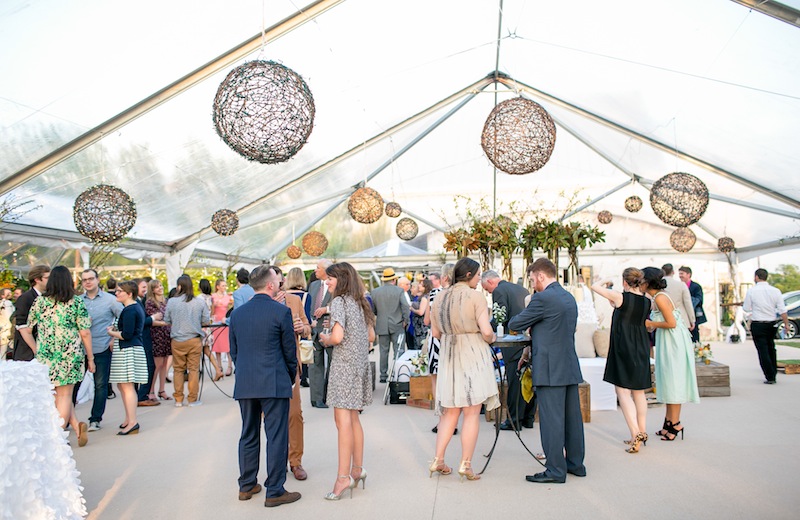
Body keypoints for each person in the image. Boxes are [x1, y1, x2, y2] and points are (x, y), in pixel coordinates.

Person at [229, 265, 301, 508]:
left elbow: (234, 351)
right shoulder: (280, 312)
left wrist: (244, 372)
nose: (280, 284)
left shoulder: (237, 314)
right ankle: (275, 490)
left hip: (246, 381)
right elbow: (289, 351)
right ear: (270, 285)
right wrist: (290, 376)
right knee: (276, 436)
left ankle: (246, 485)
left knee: (248, 433)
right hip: (274, 380)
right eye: (278, 281)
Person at [508, 258, 585, 484]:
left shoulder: (542, 299)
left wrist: (529, 304)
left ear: (541, 276)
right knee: (572, 420)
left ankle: (555, 470)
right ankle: (575, 464)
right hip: (568, 365)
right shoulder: (568, 297)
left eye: (533, 280)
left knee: (552, 422)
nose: (533, 285)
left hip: (550, 368)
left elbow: (515, 324)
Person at [428, 257, 499, 482]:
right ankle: (466, 464)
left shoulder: (440, 297)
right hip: (472, 353)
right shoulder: (476, 297)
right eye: (478, 275)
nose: (479, 280)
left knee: (450, 412)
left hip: (449, 355)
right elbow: (486, 331)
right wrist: (492, 337)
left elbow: (435, 333)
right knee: (471, 412)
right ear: (468, 275)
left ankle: (438, 459)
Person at [20, 265, 94, 448]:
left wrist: (39, 346)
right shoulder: (76, 303)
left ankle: (73, 427)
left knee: (55, 395)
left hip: (46, 356)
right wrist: (90, 358)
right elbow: (85, 332)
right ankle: (58, 438)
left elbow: (27, 329)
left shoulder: (40, 302)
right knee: (65, 395)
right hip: (70, 355)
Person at [319, 262, 375, 499]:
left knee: (342, 423)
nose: (327, 282)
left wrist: (326, 337)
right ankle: (357, 469)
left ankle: (343, 478)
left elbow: (338, 337)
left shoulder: (339, 302)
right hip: (359, 366)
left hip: (344, 367)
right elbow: (371, 336)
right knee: (353, 419)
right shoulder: (361, 302)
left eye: (330, 278)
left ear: (341, 279)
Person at [591, 268, 651, 453]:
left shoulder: (620, 297)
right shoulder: (647, 301)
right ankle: (642, 431)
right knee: (639, 391)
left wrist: (606, 280)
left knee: (623, 391)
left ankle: (635, 433)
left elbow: (594, 286)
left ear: (625, 282)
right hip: (641, 346)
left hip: (624, 346)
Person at [642, 267, 699, 441]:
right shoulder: (657, 297)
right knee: (668, 380)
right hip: (668, 340)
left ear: (648, 282)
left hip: (673, 341)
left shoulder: (660, 297)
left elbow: (671, 323)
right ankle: (668, 421)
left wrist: (650, 323)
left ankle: (675, 423)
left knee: (673, 381)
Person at [272, 266, 311, 481]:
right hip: (268, 367)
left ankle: (296, 461)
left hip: (290, 365)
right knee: (273, 417)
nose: (278, 286)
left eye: (280, 282)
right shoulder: (259, 302)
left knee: (295, 414)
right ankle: (277, 461)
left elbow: (308, 326)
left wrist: (302, 328)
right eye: (275, 283)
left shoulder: (294, 300)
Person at [480, 269, 531, 431]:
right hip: (526, 339)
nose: (489, 293)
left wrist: (485, 329)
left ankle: (513, 421)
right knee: (527, 379)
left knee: (514, 382)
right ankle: (528, 418)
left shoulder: (499, 290)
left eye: (487, 289)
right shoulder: (521, 289)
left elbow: (499, 317)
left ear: (490, 281)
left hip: (512, 342)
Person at [79, 269, 123, 432]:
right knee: (74, 385)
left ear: (98, 280)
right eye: (84, 280)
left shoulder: (110, 300)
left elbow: (123, 317)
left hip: (102, 346)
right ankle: (67, 418)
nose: (88, 282)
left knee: (100, 385)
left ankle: (95, 419)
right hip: (80, 349)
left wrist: (114, 337)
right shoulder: (77, 301)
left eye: (91, 278)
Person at [106, 281, 148, 435]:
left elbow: (127, 335)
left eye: (120, 291)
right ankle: (129, 418)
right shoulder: (133, 308)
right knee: (123, 385)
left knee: (127, 386)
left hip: (128, 350)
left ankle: (132, 421)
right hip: (128, 349)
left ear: (129, 294)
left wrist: (111, 333)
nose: (116, 293)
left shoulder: (130, 310)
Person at [163, 274, 211, 407]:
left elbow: (167, 320)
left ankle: (178, 399)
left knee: (178, 370)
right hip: (194, 339)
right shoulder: (199, 302)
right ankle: (192, 399)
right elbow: (206, 320)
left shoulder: (172, 302)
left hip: (177, 340)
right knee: (193, 369)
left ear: (179, 286)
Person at [743, 268, 790, 384]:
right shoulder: (775, 291)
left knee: (762, 350)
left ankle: (769, 376)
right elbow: (782, 309)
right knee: (771, 347)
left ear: (756, 277)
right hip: (771, 323)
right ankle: (773, 371)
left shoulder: (752, 291)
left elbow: (746, 308)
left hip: (758, 323)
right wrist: (786, 324)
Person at [425, 264, 454, 435]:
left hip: (436, 341)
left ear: (444, 277)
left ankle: (442, 420)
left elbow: (427, 321)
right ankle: (453, 421)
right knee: (451, 380)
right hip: (454, 340)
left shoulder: (435, 294)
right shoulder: (458, 294)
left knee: (436, 380)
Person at [371, 267, 410, 383]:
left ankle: (383, 376)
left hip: (382, 325)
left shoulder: (375, 292)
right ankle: (397, 374)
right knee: (399, 350)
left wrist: (379, 315)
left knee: (383, 352)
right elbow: (405, 306)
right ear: (394, 280)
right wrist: (405, 320)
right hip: (398, 325)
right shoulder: (399, 291)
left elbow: (373, 310)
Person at [308, 259, 333, 408]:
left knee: (332, 363)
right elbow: (309, 305)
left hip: (330, 330)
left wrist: (327, 309)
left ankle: (328, 395)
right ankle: (316, 398)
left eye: (318, 268)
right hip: (314, 329)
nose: (315, 270)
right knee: (314, 364)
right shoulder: (313, 285)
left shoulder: (335, 284)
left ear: (326, 270)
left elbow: (341, 304)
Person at [13, 265, 50, 361]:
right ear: (37, 279)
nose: (50, 281)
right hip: (27, 353)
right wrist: (37, 351)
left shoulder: (47, 298)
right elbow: (22, 327)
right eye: (47, 278)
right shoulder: (25, 298)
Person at [134, 278, 161, 407]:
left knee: (150, 367)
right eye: (143, 287)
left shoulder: (140, 301)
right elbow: (141, 321)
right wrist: (153, 318)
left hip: (145, 338)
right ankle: (142, 396)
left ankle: (141, 395)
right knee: (150, 366)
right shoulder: (136, 303)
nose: (145, 289)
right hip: (142, 339)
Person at [146, 279, 174, 399]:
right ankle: (151, 391)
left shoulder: (166, 301)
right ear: (152, 290)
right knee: (157, 365)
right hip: (156, 335)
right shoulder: (150, 302)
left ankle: (162, 390)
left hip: (166, 335)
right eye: (157, 287)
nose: (160, 288)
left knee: (165, 363)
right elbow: (152, 321)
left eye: (161, 286)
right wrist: (165, 323)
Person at [285, 267, 312, 387]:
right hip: (300, 328)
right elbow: (307, 317)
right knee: (303, 352)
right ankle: (303, 376)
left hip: (288, 330)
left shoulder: (283, 296)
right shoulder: (306, 296)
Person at [197, 279, 224, 380]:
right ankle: (218, 370)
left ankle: (196, 373)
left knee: (197, 351)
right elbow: (212, 312)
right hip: (208, 326)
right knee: (207, 350)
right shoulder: (211, 298)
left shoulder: (199, 298)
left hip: (200, 327)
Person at [661, 264, 695, 336]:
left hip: (663, 319)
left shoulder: (658, 285)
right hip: (680, 319)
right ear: (673, 272)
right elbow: (688, 303)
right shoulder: (681, 285)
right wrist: (692, 320)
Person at [211, 279, 233, 376]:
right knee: (217, 345)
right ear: (218, 286)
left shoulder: (228, 297)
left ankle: (229, 365)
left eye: (225, 285)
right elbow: (211, 310)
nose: (224, 287)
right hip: (216, 321)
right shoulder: (213, 297)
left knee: (228, 345)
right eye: (223, 285)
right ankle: (219, 365)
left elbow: (231, 308)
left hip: (225, 322)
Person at [678, 266, 706, 343]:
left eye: (682, 273)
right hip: (682, 316)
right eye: (679, 274)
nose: (680, 276)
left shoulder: (696, 286)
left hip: (694, 314)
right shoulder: (679, 286)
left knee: (694, 337)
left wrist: (687, 302)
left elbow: (699, 300)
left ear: (688, 274)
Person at [410, 278, 432, 350]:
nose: (419, 285)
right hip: (422, 327)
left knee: (420, 346)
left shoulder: (424, 298)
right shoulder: (427, 295)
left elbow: (421, 312)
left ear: (425, 287)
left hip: (421, 327)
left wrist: (412, 309)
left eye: (421, 285)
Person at [0, 288, 15, 360]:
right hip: (6, 329)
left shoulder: (5, 303)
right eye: (8, 293)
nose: (10, 294)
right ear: (2, 295)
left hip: (4, 329)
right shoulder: (6, 303)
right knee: (4, 351)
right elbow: (9, 317)